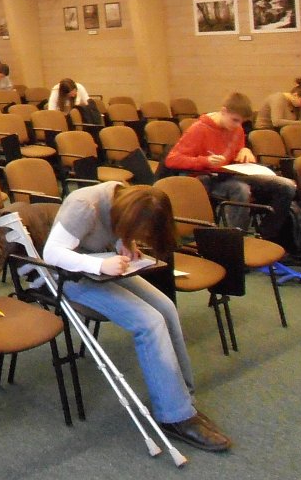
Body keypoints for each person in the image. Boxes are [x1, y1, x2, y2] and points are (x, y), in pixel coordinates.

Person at [42, 182, 232, 452]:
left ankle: (182, 399)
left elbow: (117, 230)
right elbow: (52, 254)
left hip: (103, 265)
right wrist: (99, 264)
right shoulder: (84, 206)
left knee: (166, 308)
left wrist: (126, 244)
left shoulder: (125, 195)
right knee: (149, 322)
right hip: (69, 276)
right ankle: (174, 416)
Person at [164, 92, 297, 249]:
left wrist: (245, 150)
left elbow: (237, 150)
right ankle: (235, 242)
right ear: (224, 111)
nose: (237, 125)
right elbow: (172, 159)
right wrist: (204, 161)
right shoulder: (199, 129)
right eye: (235, 120)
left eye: (241, 122)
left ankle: (266, 235)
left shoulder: (237, 129)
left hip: (230, 173)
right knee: (241, 190)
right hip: (206, 177)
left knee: (287, 186)